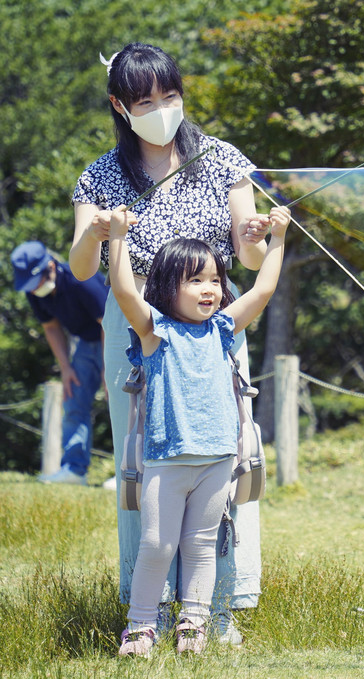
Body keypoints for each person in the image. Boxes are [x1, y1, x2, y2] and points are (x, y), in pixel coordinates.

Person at [69, 42, 275, 644]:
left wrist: (256, 234)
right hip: (137, 332)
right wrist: (101, 231)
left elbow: (249, 253)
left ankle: (215, 609)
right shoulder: (101, 174)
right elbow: (83, 265)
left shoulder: (221, 159)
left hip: (213, 330)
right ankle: (148, 611)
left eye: (170, 95)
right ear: (120, 105)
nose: (162, 108)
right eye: (146, 100)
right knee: (143, 464)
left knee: (224, 456)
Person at [108, 204, 290, 656]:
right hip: (166, 462)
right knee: (156, 544)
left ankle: (194, 622)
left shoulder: (224, 328)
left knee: (203, 545)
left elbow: (264, 289)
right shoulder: (155, 331)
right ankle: (141, 625)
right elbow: (125, 291)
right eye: (195, 280)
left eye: (214, 280)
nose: (210, 289)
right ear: (169, 287)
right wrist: (116, 237)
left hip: (216, 462)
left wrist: (280, 238)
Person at [11, 241, 108, 485]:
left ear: (50, 266)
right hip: (86, 344)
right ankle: (74, 470)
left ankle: (129, 472)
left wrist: (110, 369)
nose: (35, 290)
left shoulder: (80, 279)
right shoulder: (34, 293)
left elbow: (107, 322)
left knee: (122, 402)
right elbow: (51, 327)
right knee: (73, 397)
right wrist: (65, 368)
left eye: (37, 283)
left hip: (116, 337)